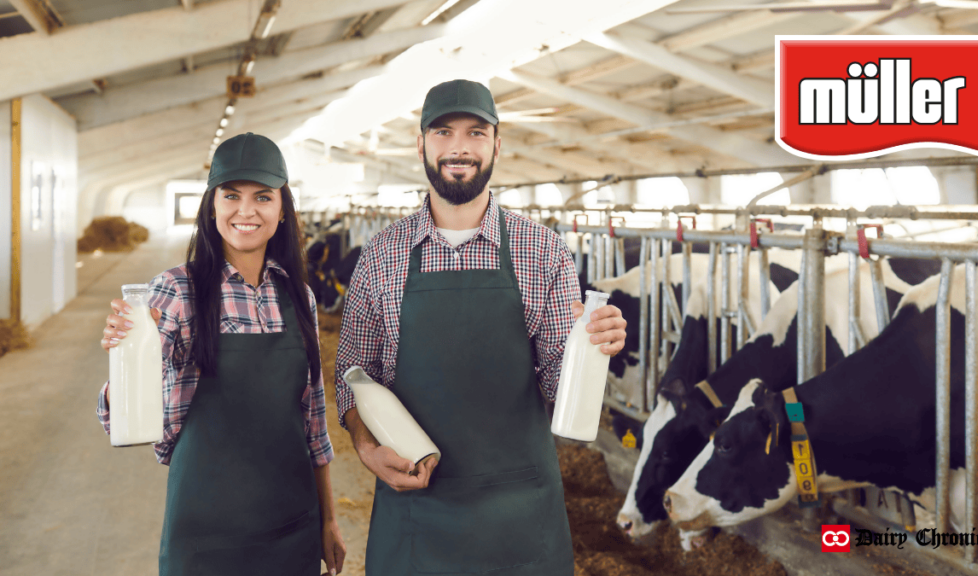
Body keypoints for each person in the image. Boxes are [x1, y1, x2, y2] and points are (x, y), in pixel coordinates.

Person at [334, 79, 628, 575]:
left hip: (520, 518)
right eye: (443, 132)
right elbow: (354, 375)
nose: (458, 147)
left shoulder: (544, 252)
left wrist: (594, 348)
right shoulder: (381, 255)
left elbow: (558, 385)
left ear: (497, 143)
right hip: (416, 513)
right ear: (421, 143)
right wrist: (365, 446)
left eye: (475, 132)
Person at [96, 133, 346, 575]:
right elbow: (121, 416)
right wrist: (128, 353)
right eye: (231, 195)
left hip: (293, 529)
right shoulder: (176, 291)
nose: (245, 211)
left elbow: (314, 422)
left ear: (283, 209)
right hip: (205, 538)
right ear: (211, 204)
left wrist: (328, 519)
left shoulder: (299, 296)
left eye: (262, 197)